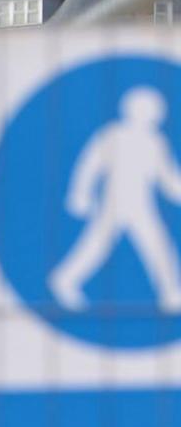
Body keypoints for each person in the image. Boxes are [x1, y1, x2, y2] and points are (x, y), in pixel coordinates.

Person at [50, 86, 181, 313]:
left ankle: (170, 292)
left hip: (141, 203)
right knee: (97, 246)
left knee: (157, 246)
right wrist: (80, 194)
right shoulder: (113, 135)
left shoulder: (155, 142)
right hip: (116, 201)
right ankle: (65, 280)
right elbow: (90, 165)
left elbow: (167, 177)